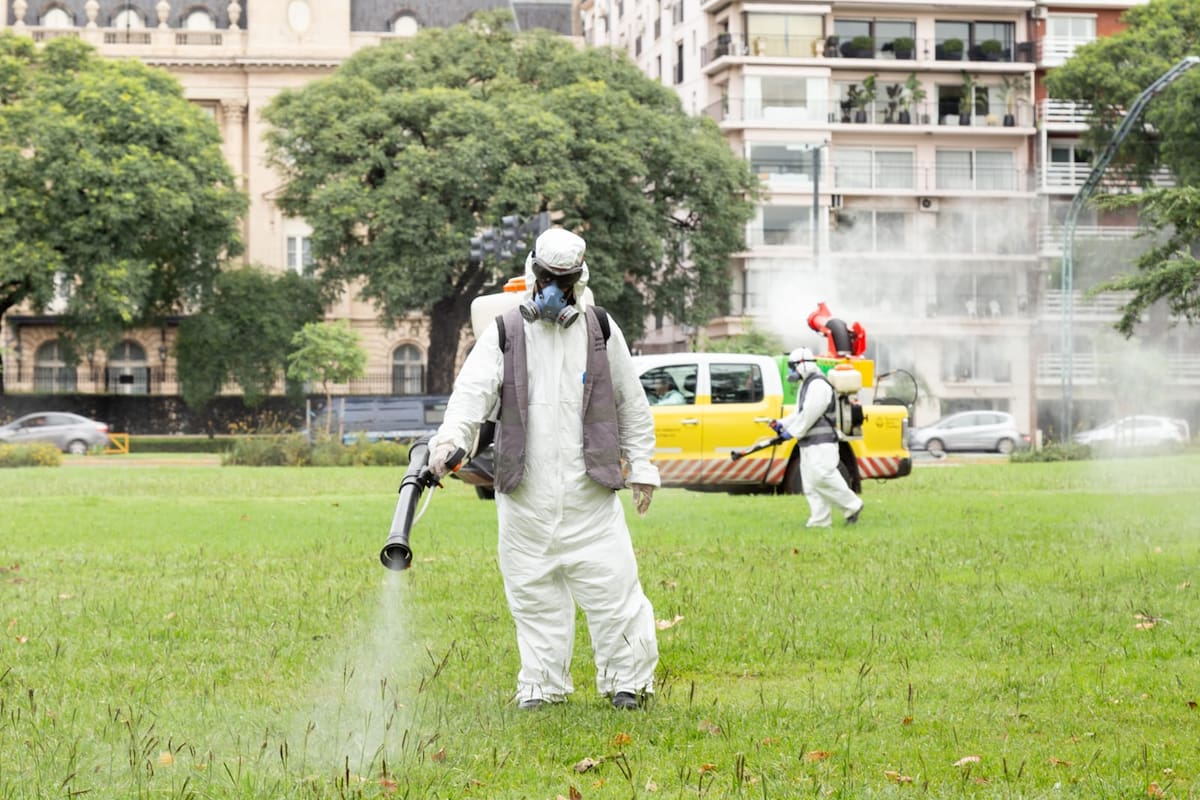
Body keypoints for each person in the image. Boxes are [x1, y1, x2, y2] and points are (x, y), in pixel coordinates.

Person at [428, 227, 660, 711]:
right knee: (533, 597)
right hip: (524, 494)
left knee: (614, 591)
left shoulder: (600, 329)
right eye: (547, 277)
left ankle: (628, 684)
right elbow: (471, 396)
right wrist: (450, 441)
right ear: (532, 272)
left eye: (564, 280)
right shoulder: (505, 331)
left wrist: (642, 465)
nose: (554, 289)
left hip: (589, 493)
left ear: (579, 279)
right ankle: (542, 686)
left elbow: (630, 402)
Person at [770, 347, 864, 528]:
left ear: (803, 365)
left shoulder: (818, 385)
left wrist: (792, 432)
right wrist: (782, 424)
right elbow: (799, 412)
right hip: (808, 442)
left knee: (823, 476)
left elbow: (810, 414)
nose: (792, 372)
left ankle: (853, 505)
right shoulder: (806, 384)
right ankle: (820, 521)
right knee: (811, 485)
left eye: (793, 367)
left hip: (822, 442)